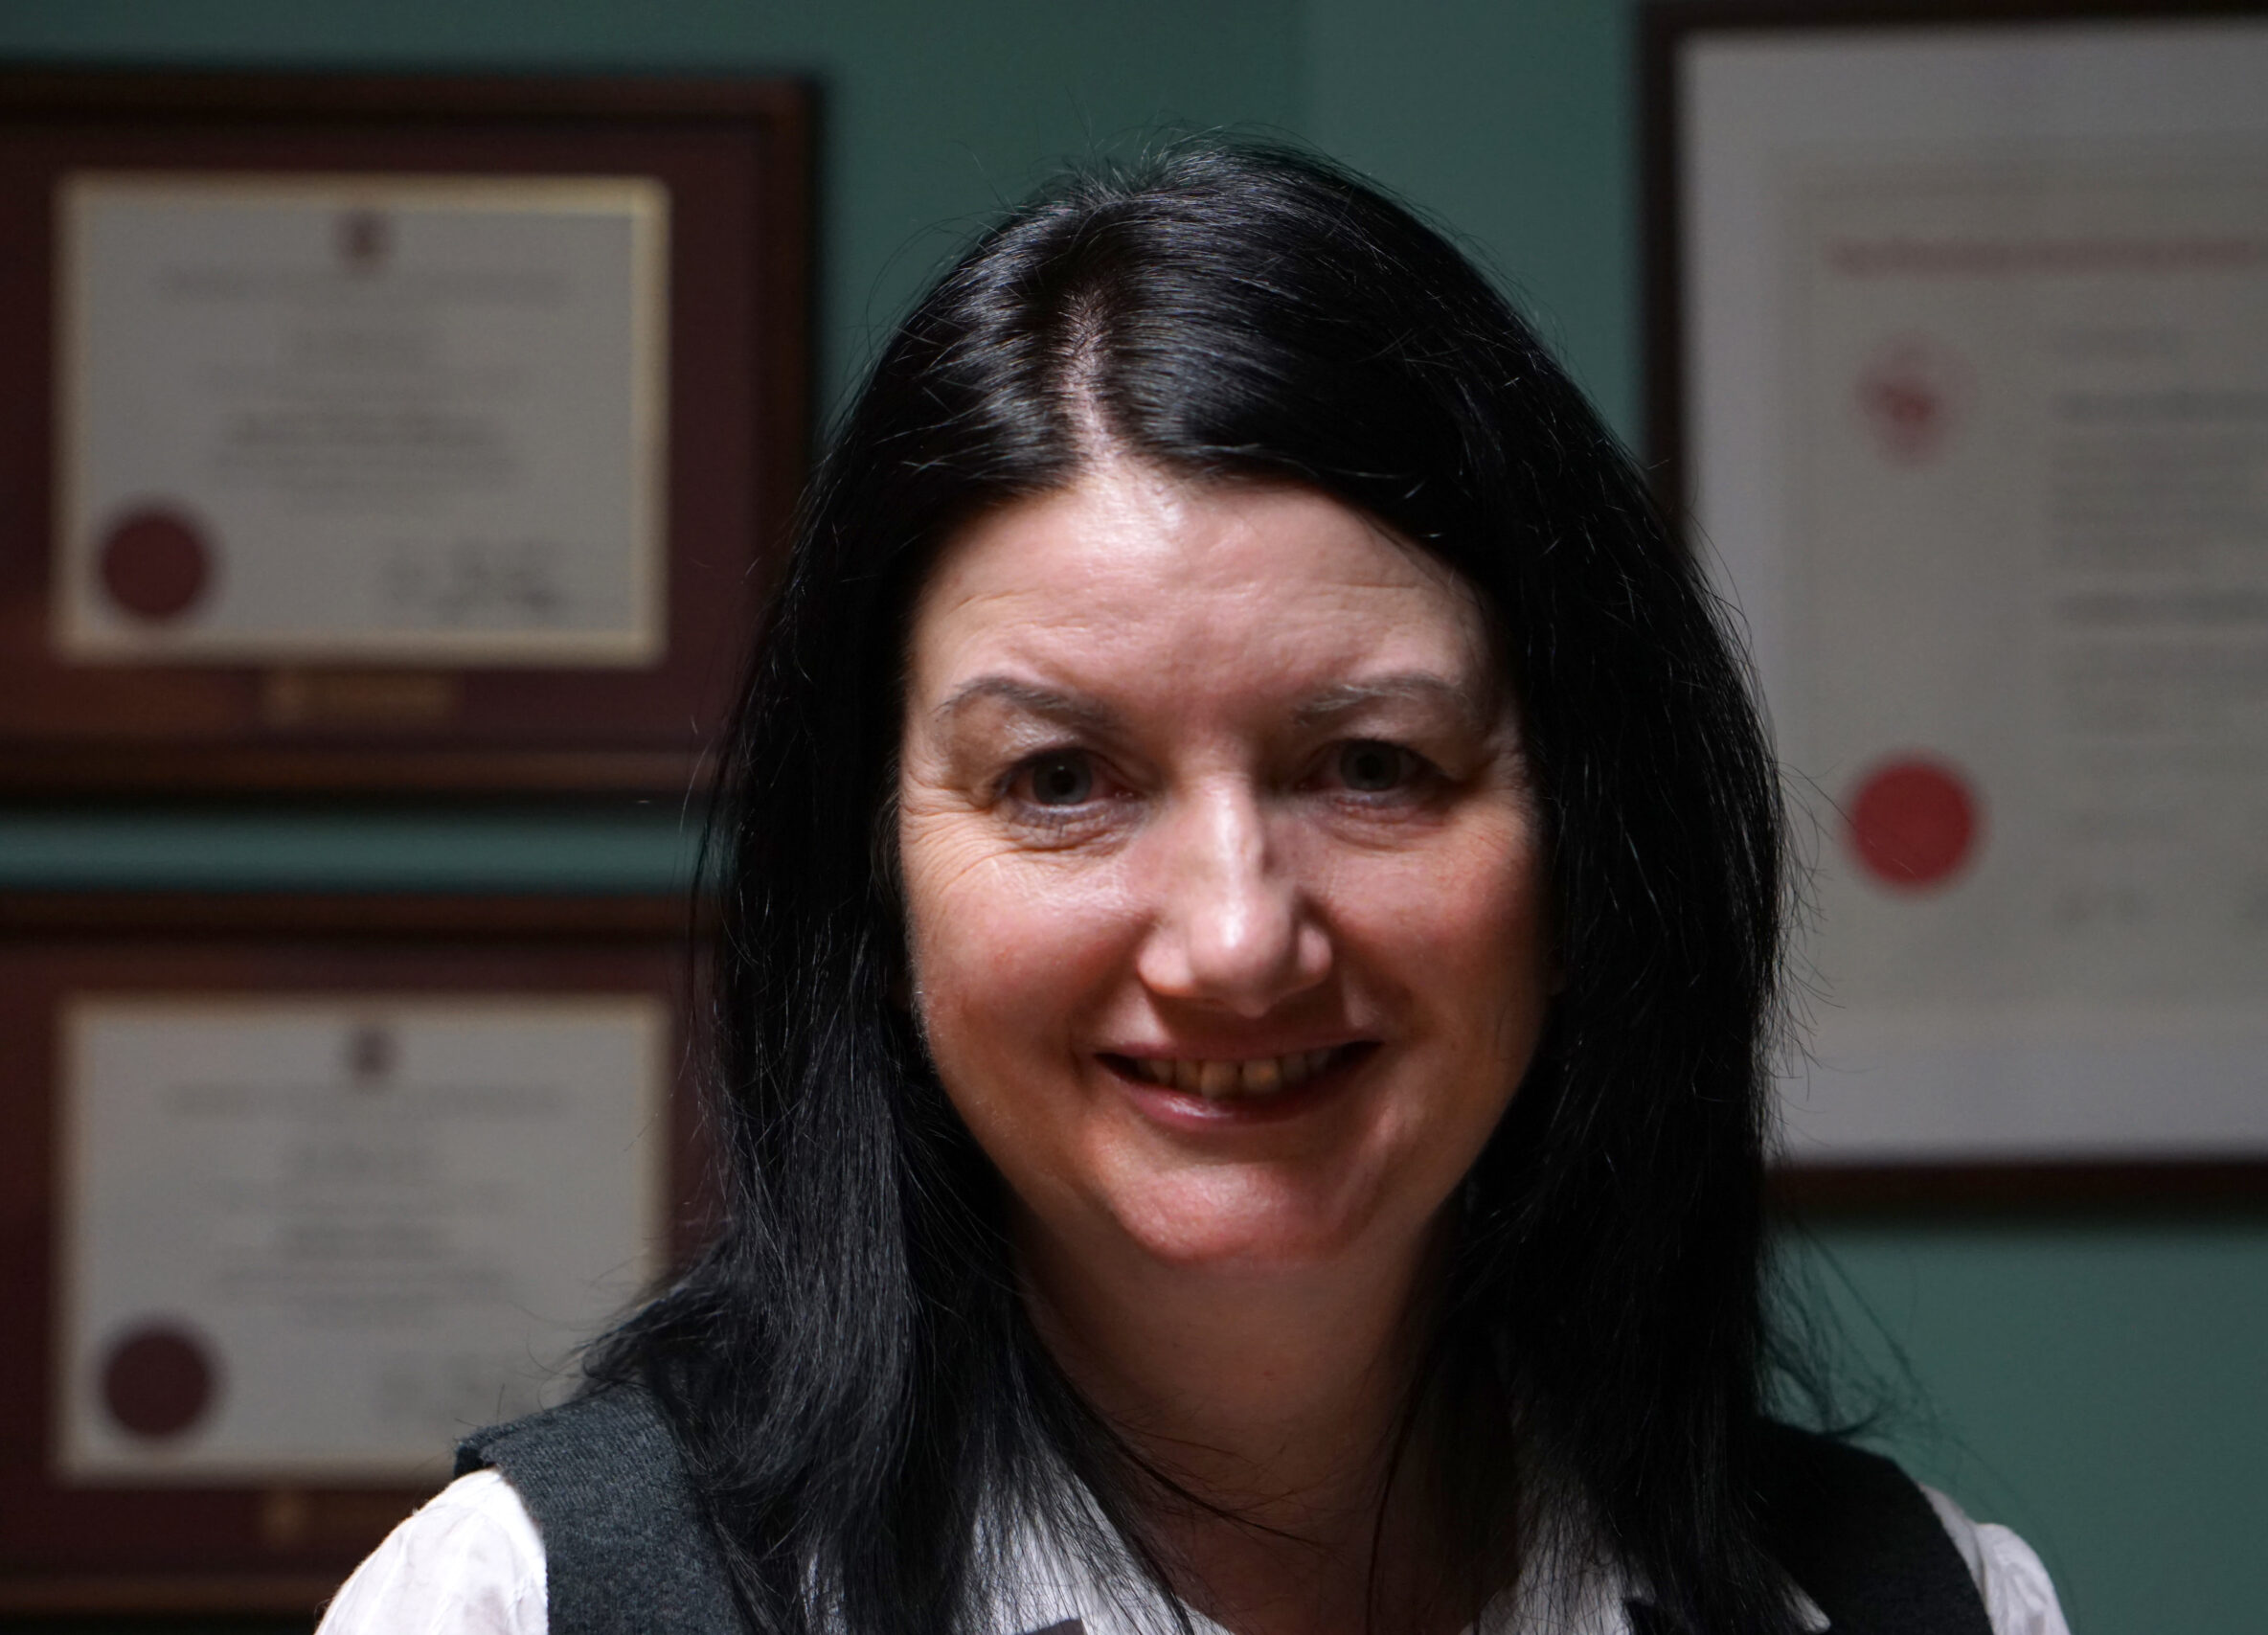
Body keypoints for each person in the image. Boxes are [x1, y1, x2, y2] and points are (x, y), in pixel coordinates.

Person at [322, 142, 2067, 1635]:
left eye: (1373, 766)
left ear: (1591, 846)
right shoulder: (530, 1609)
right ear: (873, 878)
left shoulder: (1915, 1601)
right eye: (1061, 781)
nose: (1237, 938)